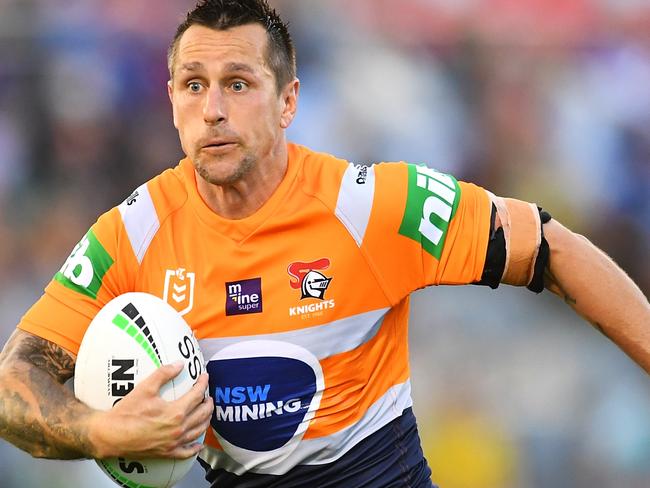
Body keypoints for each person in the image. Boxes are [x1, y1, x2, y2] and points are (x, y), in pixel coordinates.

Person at [0, 0, 648, 486]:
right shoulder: (134, 234)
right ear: (170, 101)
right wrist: (101, 429)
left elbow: (552, 249)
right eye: (193, 85)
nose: (214, 109)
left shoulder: (369, 208)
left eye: (239, 83)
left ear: (288, 102)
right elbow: (13, 385)